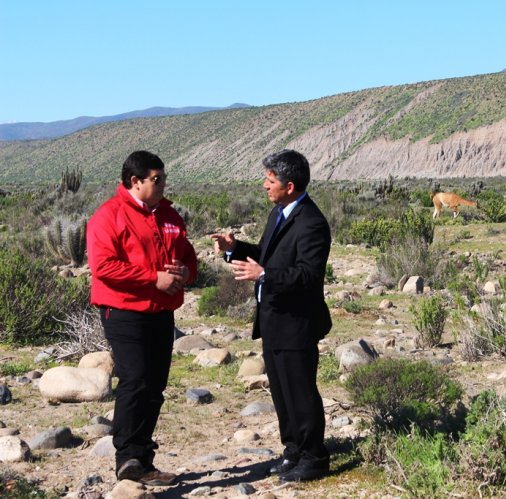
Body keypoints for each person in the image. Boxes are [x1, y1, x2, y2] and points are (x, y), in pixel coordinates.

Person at [211, 149, 332, 483]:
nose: (265, 186)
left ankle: (314, 457)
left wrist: (264, 275)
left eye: (270, 180)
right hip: (274, 319)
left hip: (297, 321)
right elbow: (266, 254)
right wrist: (235, 249)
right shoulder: (279, 214)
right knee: (281, 390)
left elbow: (308, 275)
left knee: (301, 390)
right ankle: (293, 450)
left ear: (289, 185)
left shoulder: (312, 223)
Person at [87, 150, 197, 486]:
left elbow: (188, 256)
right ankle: (127, 458)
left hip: (161, 312)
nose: (163, 184)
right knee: (135, 380)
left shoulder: (168, 215)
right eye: (157, 179)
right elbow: (103, 266)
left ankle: (143, 460)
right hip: (124, 311)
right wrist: (154, 279)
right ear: (135, 181)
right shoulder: (109, 216)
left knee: (155, 385)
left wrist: (185, 273)